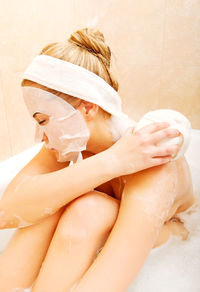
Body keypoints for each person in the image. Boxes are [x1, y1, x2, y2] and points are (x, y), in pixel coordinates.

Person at [0, 28, 194, 292]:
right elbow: (7, 212)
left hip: (173, 236)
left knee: (88, 208)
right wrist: (112, 161)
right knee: (47, 202)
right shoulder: (70, 140)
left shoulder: (153, 157)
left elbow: (110, 279)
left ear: (88, 107)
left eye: (44, 120)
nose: (41, 138)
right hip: (97, 236)